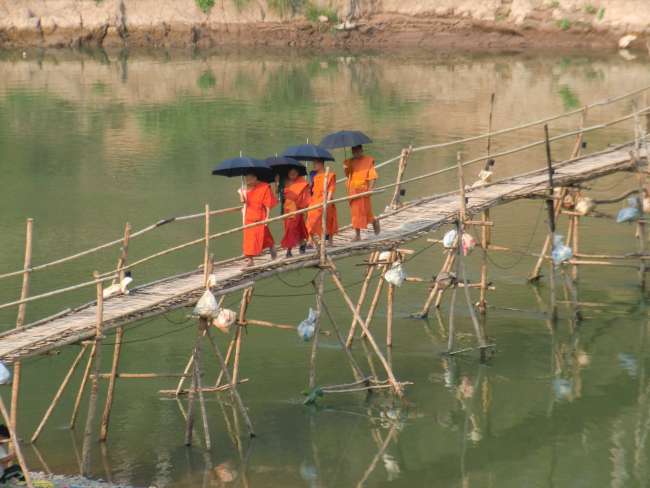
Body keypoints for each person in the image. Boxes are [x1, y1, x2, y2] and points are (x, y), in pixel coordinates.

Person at [239, 171, 278, 267]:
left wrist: (267, 217)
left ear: (255, 178)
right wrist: (241, 193)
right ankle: (250, 259)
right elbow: (242, 202)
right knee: (248, 239)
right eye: (246, 179)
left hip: (260, 215)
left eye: (249, 179)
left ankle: (272, 248)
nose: (247, 181)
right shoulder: (245, 188)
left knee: (265, 235)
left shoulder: (264, 187)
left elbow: (268, 203)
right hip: (249, 216)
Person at [344, 144, 380, 241]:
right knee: (355, 214)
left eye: (357, 150)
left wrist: (371, 188)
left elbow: (373, 176)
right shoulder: (350, 161)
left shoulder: (368, 161)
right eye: (354, 151)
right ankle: (357, 235)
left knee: (366, 213)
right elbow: (348, 175)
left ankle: (374, 221)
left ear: (361, 150)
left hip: (363, 191)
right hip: (352, 191)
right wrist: (346, 168)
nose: (355, 153)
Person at [306, 159, 338, 246]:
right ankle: (311, 240)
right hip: (315, 200)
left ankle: (330, 240)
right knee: (310, 217)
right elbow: (313, 190)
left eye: (315, 164)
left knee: (329, 219)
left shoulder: (329, 175)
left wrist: (327, 201)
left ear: (321, 164)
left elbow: (331, 189)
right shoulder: (315, 176)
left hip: (325, 199)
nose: (314, 165)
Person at [281, 168, 310, 257]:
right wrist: (279, 184)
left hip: (297, 209)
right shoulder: (284, 181)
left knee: (291, 229)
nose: (292, 173)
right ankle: (302, 243)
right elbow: (279, 195)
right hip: (287, 209)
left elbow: (305, 196)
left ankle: (289, 250)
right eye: (291, 171)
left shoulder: (302, 182)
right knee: (297, 229)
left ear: (298, 172)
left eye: (295, 171)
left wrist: (294, 197)